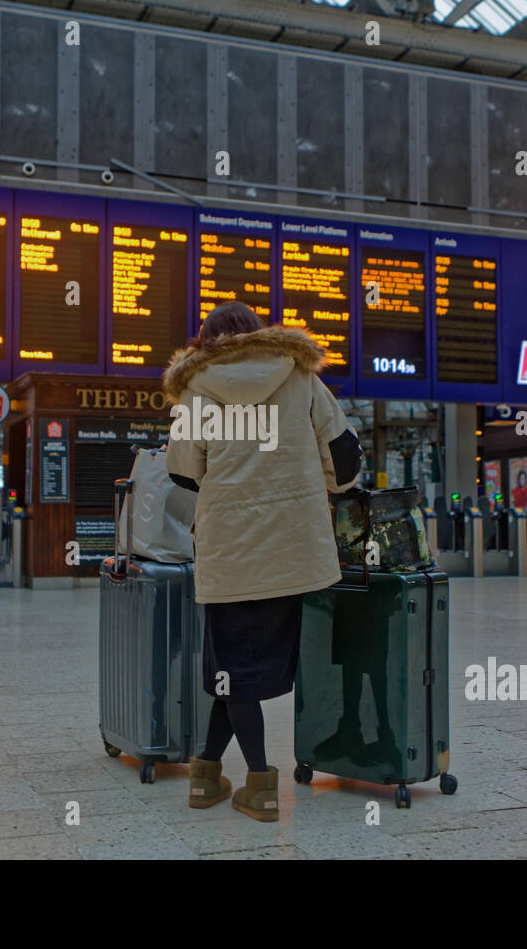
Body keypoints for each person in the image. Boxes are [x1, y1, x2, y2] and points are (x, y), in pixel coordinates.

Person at [164, 301, 361, 822]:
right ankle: (206, 772)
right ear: (262, 334)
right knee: (239, 670)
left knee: (234, 670)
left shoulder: (196, 390)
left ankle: (261, 785)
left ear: (206, 341)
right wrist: (331, 488)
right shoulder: (302, 379)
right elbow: (343, 457)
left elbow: (183, 474)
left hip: (231, 551)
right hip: (292, 550)